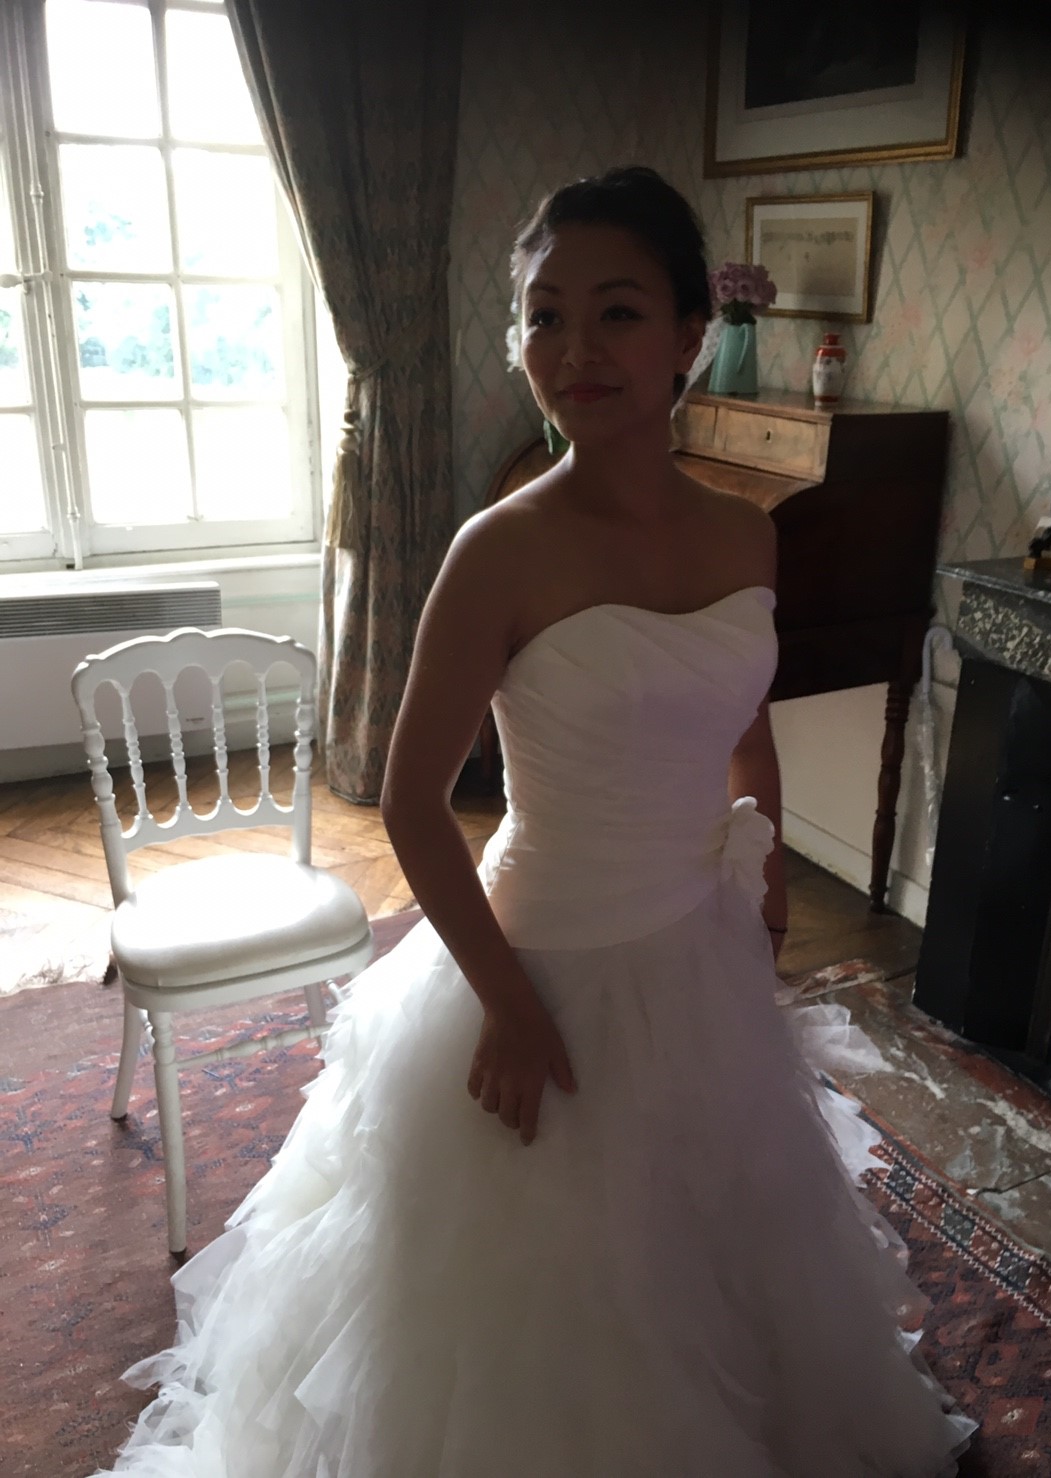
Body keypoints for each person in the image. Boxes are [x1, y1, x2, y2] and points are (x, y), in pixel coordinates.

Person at [91, 166, 975, 1477]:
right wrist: (507, 1006)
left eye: (616, 312)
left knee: (711, 1250)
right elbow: (410, 802)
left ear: (689, 335)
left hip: (699, 945)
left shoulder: (748, 536)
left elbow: (746, 722)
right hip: (542, 961)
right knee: (549, 1303)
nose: (574, 350)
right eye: (545, 316)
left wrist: (769, 868)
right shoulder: (498, 550)